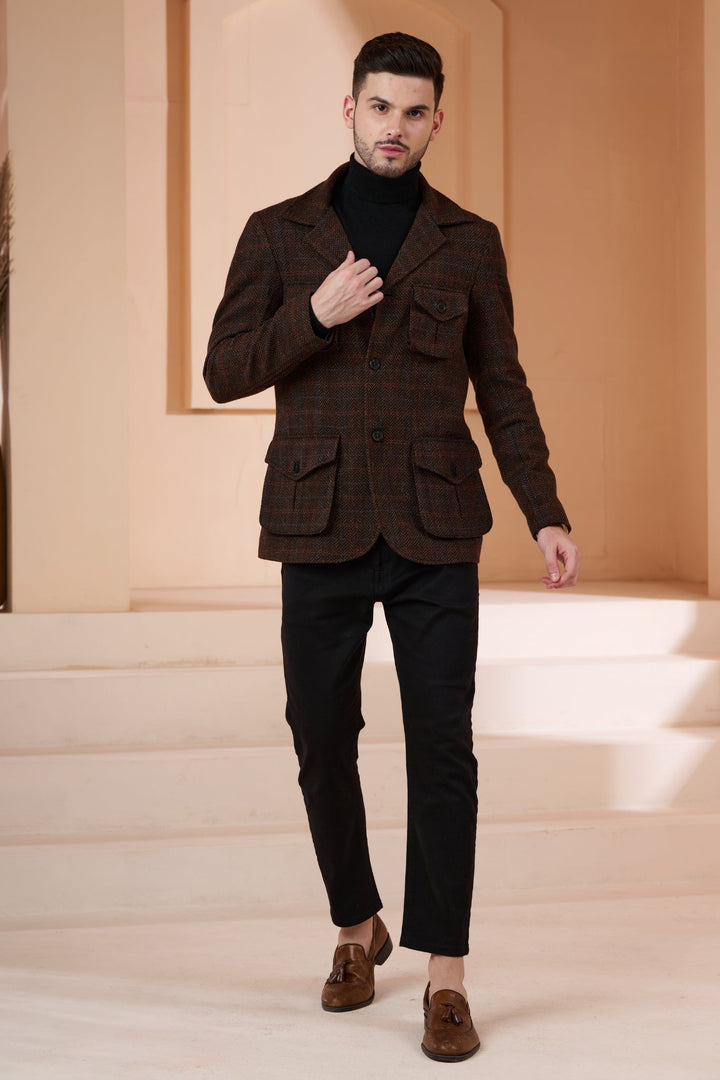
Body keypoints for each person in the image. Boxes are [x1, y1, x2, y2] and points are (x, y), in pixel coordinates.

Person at [204, 31, 580, 1063]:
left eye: (415, 112)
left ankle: (447, 973)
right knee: (320, 734)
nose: (395, 127)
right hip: (317, 518)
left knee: (442, 745)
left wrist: (545, 509)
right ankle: (355, 925)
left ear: (436, 122)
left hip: (435, 521)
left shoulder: (469, 241)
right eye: (380, 107)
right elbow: (224, 370)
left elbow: (503, 385)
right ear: (350, 108)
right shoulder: (278, 234)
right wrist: (313, 316)